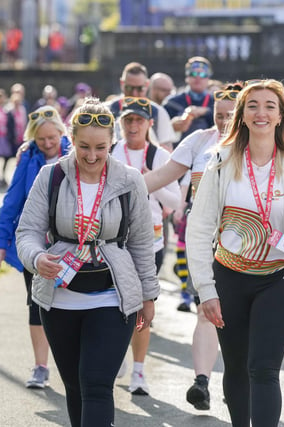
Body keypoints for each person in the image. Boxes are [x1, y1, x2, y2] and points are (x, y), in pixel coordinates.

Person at [16, 98, 159, 427]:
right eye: (83, 147)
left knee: (96, 385)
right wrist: (37, 258)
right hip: (59, 299)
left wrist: (148, 296)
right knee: (75, 387)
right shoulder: (50, 176)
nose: (92, 156)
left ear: (113, 143)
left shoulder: (130, 180)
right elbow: (27, 232)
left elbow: (140, 242)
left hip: (112, 297)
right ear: (71, 140)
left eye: (100, 148)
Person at [186, 79, 284, 427]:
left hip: (278, 277)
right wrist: (206, 289)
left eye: (269, 106)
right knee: (238, 367)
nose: (261, 112)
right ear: (241, 116)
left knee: (264, 368)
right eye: (253, 105)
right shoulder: (220, 162)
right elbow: (198, 229)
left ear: (281, 116)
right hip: (229, 276)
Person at [143, 81, 243, 410]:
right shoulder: (198, 141)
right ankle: (202, 381)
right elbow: (162, 176)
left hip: (247, 247)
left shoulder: (254, 145)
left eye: (231, 114)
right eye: (218, 115)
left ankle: (237, 380)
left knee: (241, 321)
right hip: (205, 244)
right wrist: (117, 187)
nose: (224, 121)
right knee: (206, 311)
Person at [0, 106, 72, 388]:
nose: (48, 144)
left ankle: (78, 362)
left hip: (72, 244)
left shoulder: (77, 153)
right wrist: (0, 241)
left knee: (72, 305)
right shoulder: (28, 157)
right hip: (35, 243)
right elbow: (12, 199)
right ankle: (40, 366)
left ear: (62, 133)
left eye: (52, 138)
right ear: (33, 140)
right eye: (41, 140)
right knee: (36, 303)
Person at [110, 97, 180, 396]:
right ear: (120, 123)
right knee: (112, 306)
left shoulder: (159, 155)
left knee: (141, 307)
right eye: (128, 120)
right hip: (112, 239)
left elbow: (176, 202)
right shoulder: (111, 151)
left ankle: (139, 371)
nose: (133, 125)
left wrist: (146, 181)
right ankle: (117, 357)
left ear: (150, 124)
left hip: (148, 240)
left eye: (139, 120)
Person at [107, 62, 177, 151]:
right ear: (122, 83)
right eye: (129, 88)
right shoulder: (109, 109)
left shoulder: (158, 112)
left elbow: (167, 149)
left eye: (140, 88)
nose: (134, 93)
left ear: (147, 85)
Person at [163, 56, 215, 147]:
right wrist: (171, 126)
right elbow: (158, 130)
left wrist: (207, 111)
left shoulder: (216, 103)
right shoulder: (172, 102)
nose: (198, 78)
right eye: (193, 74)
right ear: (187, 77)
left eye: (203, 75)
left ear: (208, 79)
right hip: (178, 153)